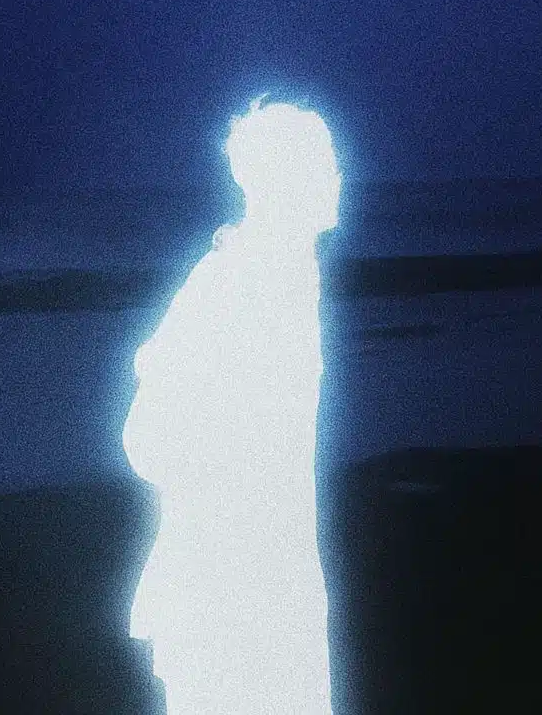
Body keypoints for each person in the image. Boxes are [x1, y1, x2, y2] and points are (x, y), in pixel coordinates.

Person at [123, 94, 342, 715]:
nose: (336, 176)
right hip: (229, 610)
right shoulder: (231, 287)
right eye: (321, 162)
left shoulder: (285, 279)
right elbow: (146, 438)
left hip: (273, 596)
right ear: (277, 181)